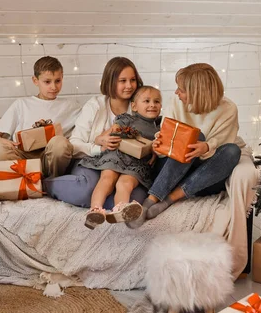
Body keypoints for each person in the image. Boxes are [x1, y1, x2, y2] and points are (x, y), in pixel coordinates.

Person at [128, 63, 242, 228]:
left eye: (180, 89)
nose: (176, 92)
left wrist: (207, 147)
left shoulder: (229, 109)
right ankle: (150, 200)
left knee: (233, 150)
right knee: (196, 136)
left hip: (204, 178)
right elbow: (165, 137)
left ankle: (169, 199)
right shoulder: (176, 102)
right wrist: (159, 143)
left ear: (196, 93)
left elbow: (224, 143)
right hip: (171, 173)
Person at [44, 57, 148, 208]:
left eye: (132, 80)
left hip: (126, 167)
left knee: (135, 200)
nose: (129, 86)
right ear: (110, 81)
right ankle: (44, 184)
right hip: (92, 162)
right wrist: (98, 147)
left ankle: (105, 202)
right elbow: (74, 144)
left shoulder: (140, 105)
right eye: (122, 81)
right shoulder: (95, 105)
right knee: (85, 191)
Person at [81, 86, 162, 229]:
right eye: (147, 101)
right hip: (117, 156)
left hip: (137, 164)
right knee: (107, 179)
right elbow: (108, 134)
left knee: (125, 184)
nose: (152, 105)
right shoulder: (128, 119)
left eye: (157, 101)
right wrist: (108, 136)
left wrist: (156, 150)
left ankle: (120, 209)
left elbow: (160, 147)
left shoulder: (159, 129)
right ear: (134, 106)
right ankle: (95, 211)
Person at [0, 56, 79, 178]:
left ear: (62, 78)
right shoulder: (21, 104)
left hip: (50, 158)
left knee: (60, 143)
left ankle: (51, 181)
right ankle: (28, 178)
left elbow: (87, 129)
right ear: (35, 81)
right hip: (23, 157)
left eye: (58, 81)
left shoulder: (72, 107)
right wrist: (3, 141)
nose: (53, 87)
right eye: (47, 82)